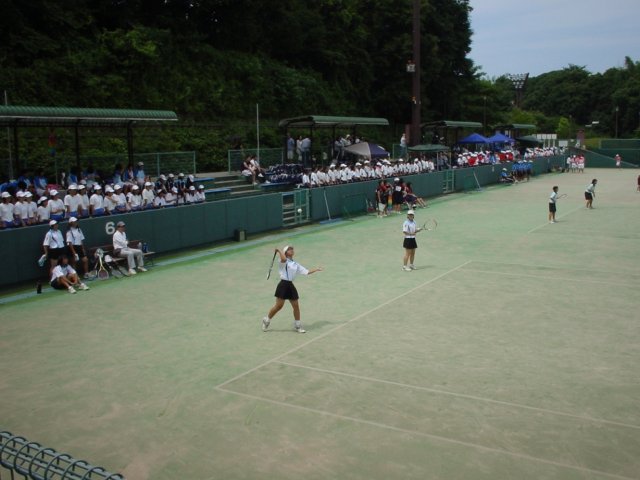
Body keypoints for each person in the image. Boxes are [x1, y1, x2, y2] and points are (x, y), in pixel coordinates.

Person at [262, 245, 322, 334]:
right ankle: (267, 320)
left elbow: (307, 272)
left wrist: (316, 269)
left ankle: (297, 325)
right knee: (279, 306)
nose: (292, 250)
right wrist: (278, 250)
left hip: (290, 285)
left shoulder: (296, 264)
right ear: (285, 252)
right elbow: (284, 259)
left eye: (292, 249)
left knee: (296, 306)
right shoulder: (283, 261)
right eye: (289, 249)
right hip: (283, 285)